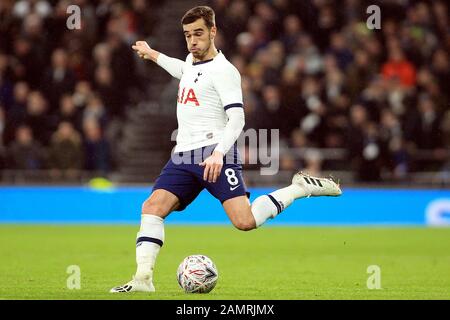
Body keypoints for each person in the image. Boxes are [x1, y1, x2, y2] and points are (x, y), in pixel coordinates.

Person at [110, 6, 342, 293]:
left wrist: (219, 152)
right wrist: (153, 53)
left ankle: (299, 188)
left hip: (214, 151)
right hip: (184, 154)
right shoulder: (191, 62)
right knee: (152, 208)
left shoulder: (225, 71)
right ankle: (143, 279)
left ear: (213, 32)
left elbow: (237, 118)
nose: (192, 41)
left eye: (198, 34)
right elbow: (181, 70)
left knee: (244, 221)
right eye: (187, 35)